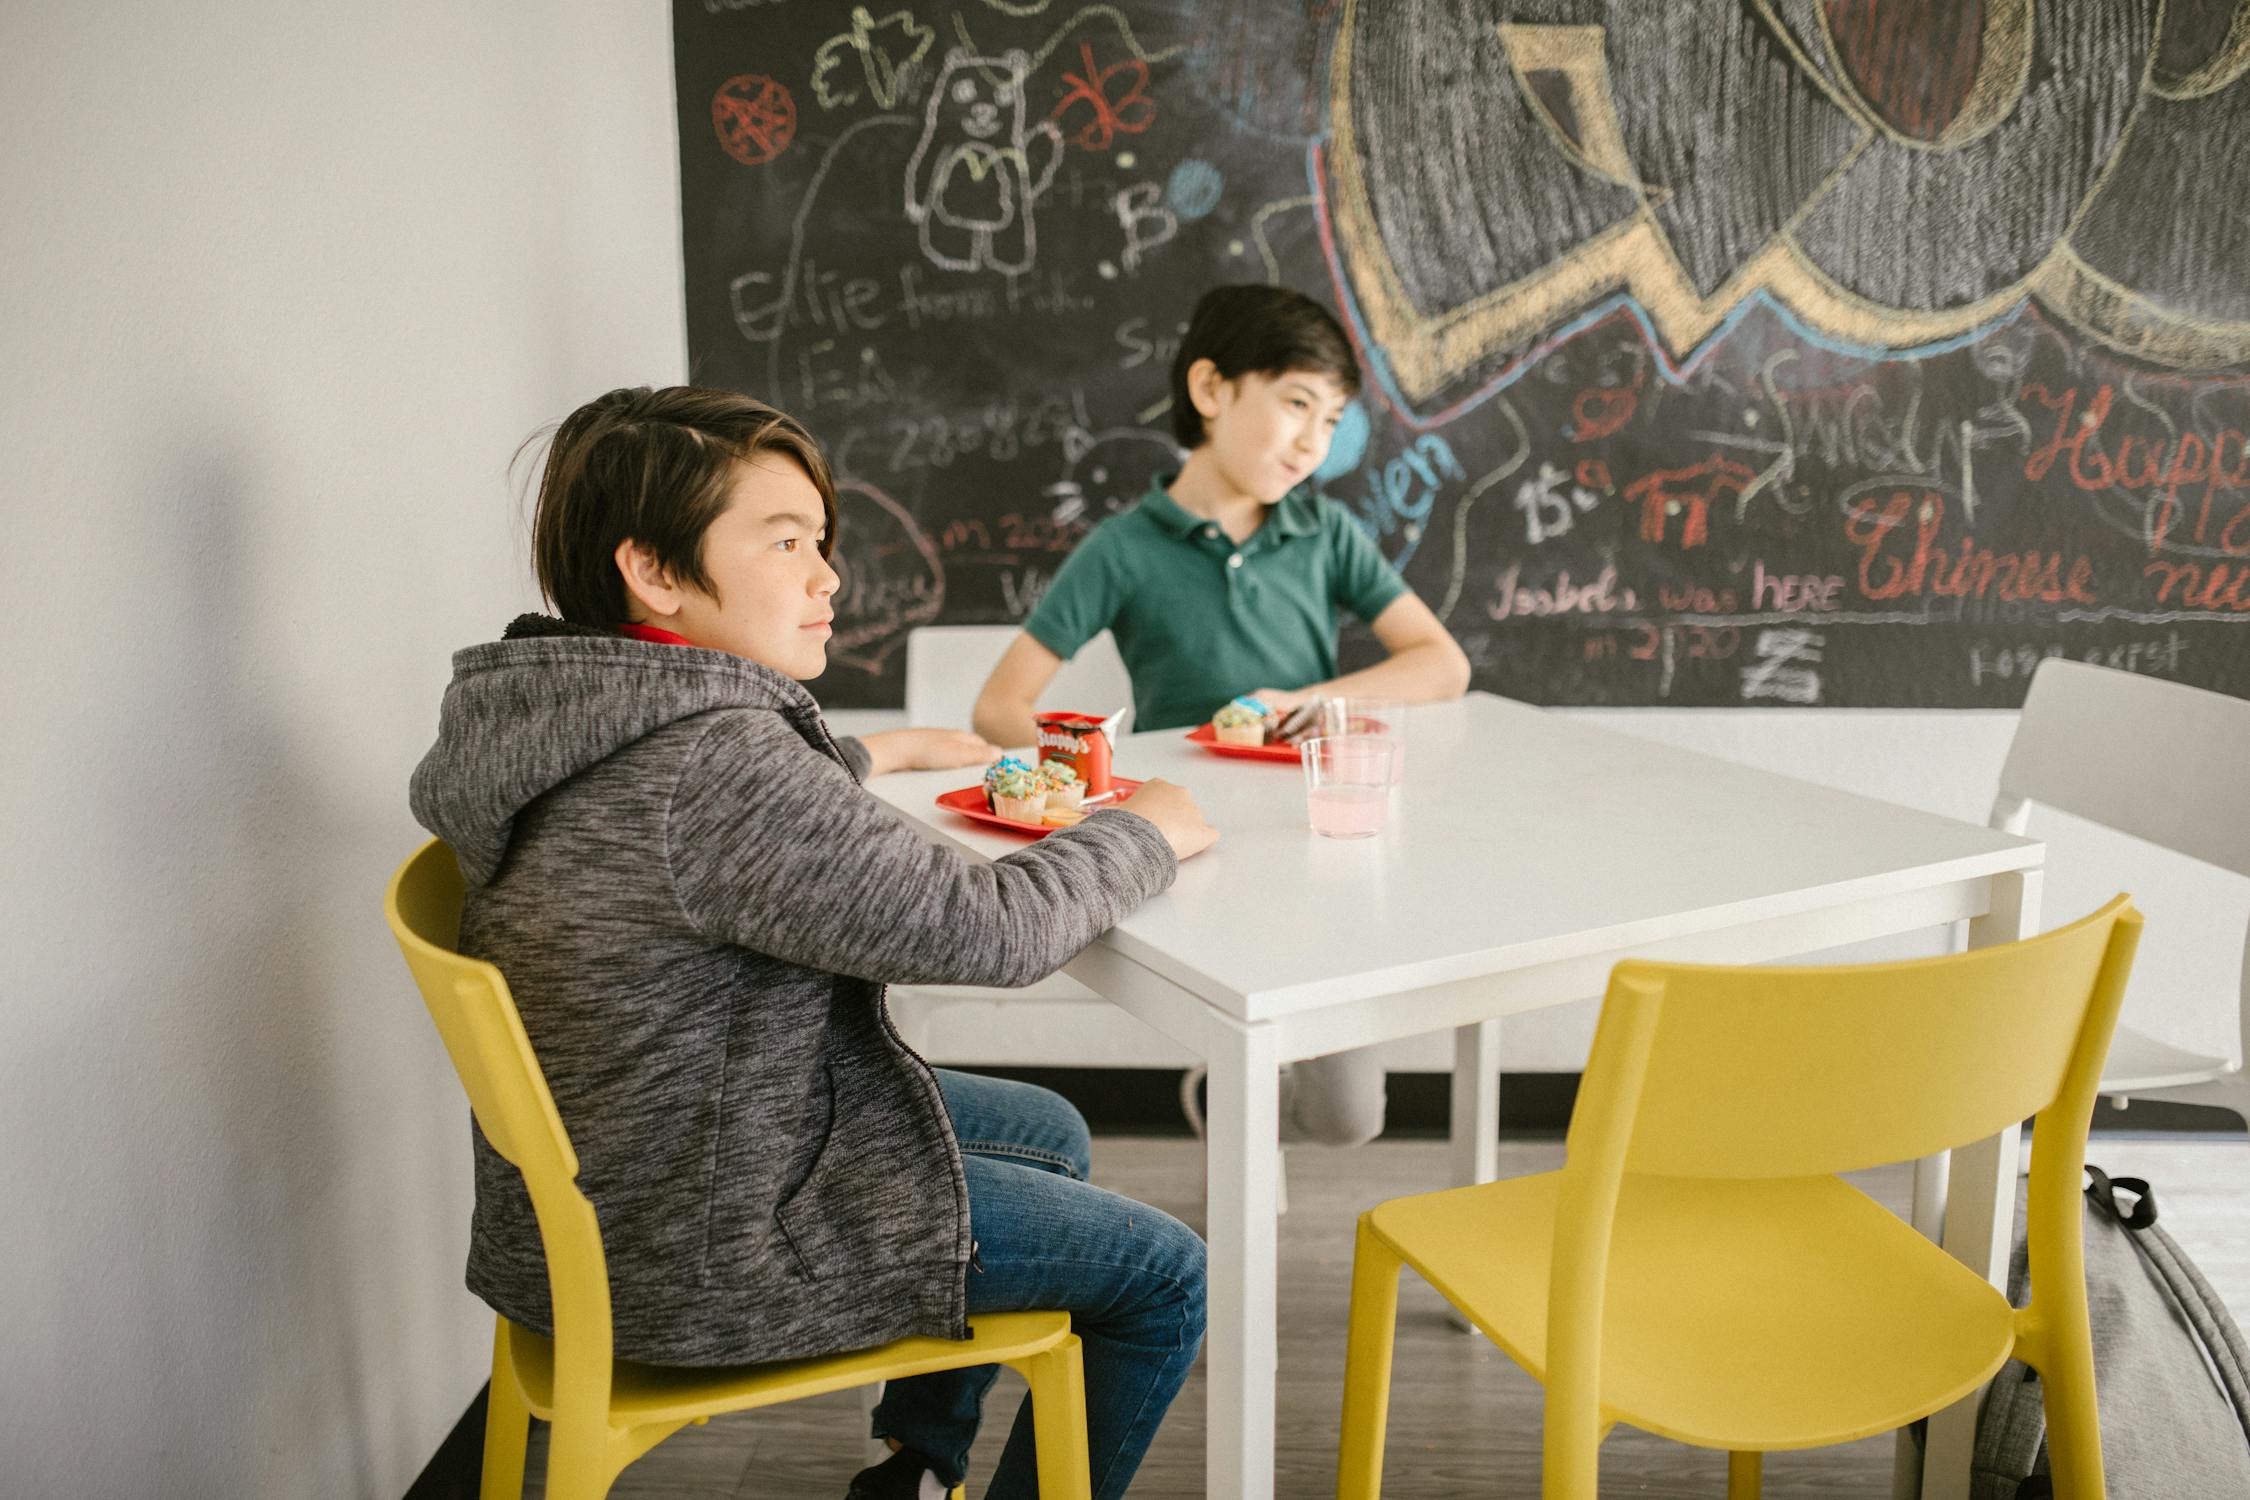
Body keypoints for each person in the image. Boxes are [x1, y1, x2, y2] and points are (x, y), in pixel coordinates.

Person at [410, 385, 1217, 1500]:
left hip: (611, 1191)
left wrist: (860, 755)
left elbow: (690, 828)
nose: (829, 575)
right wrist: (1145, 829)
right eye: (786, 541)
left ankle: (914, 1471)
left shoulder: (565, 714)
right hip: (705, 1237)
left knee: (1051, 1126)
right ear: (653, 572)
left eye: (821, 541)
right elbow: (995, 930)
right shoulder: (718, 766)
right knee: (1166, 1275)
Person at [972, 284, 1470, 1148]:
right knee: (1250, 1085)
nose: (1315, 442)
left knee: (1352, 1122)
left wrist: (1316, 702)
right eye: (1296, 405)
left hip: (1318, 844)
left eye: (1332, 419)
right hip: (1193, 854)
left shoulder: (1327, 534)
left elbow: (1443, 664)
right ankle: (1242, 1114)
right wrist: (1104, 788)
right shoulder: (1123, 548)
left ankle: (1247, 1092)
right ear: (1211, 390)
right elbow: (1000, 703)